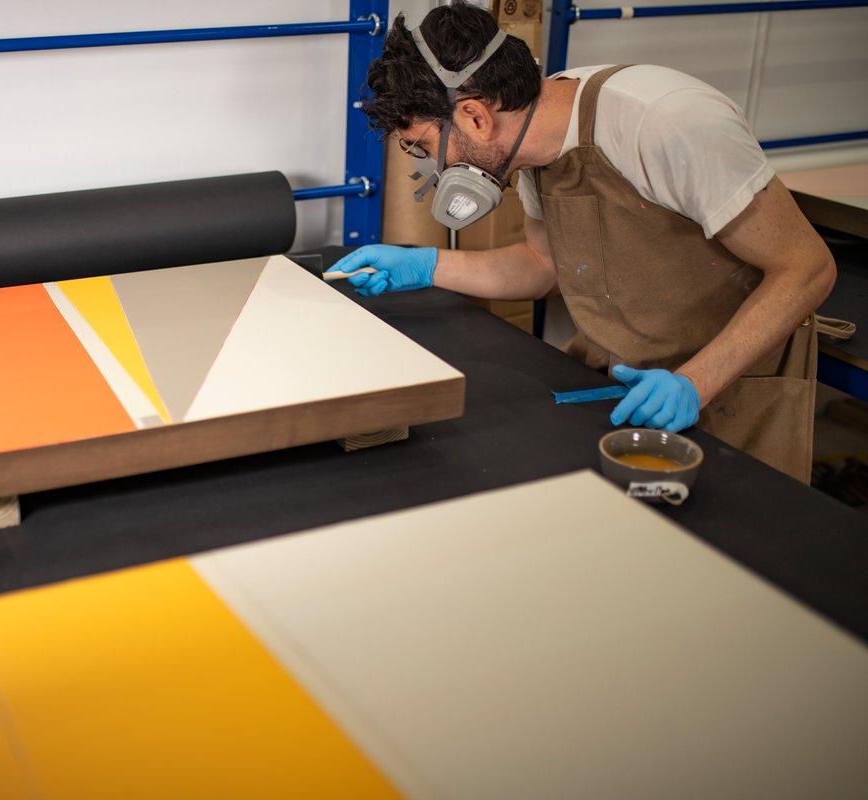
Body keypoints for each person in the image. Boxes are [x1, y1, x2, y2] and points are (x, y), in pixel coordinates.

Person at [326, 0, 836, 482]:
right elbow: (543, 264)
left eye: (425, 147)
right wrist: (424, 266)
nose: (432, 169)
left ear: (476, 117)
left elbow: (807, 267)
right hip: (625, 373)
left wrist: (694, 382)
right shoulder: (527, 142)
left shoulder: (664, 122)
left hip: (732, 388)